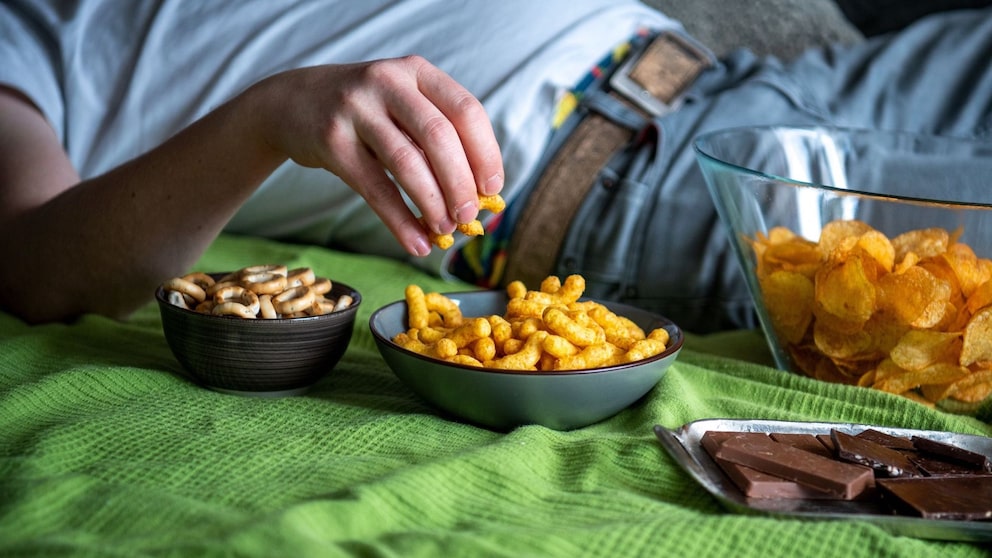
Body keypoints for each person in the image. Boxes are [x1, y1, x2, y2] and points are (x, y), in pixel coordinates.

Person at [1, 1, 991, 333]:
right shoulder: (31, 36)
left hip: (756, 77)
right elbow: (37, 265)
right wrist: (265, 119)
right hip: (646, 187)